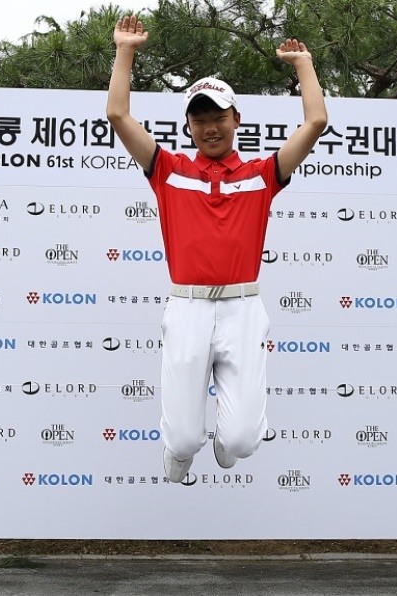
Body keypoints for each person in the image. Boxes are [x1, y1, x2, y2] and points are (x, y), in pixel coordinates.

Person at [106, 15, 328, 483]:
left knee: (243, 441)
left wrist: (303, 64)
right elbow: (118, 116)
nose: (210, 128)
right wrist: (125, 51)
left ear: (236, 121)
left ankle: (230, 439)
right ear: (188, 126)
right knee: (184, 438)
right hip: (187, 307)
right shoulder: (168, 171)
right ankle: (181, 450)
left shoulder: (261, 176)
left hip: (242, 307)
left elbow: (316, 122)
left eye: (219, 118)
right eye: (200, 120)